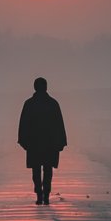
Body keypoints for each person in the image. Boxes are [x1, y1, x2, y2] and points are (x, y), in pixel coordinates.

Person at [18, 77, 67, 205]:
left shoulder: (29, 104)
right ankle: (45, 194)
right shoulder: (53, 103)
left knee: (36, 169)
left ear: (35, 87)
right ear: (46, 87)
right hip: (50, 144)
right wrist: (61, 142)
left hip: (34, 143)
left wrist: (23, 141)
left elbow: (23, 124)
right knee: (48, 170)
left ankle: (39, 193)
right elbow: (59, 124)